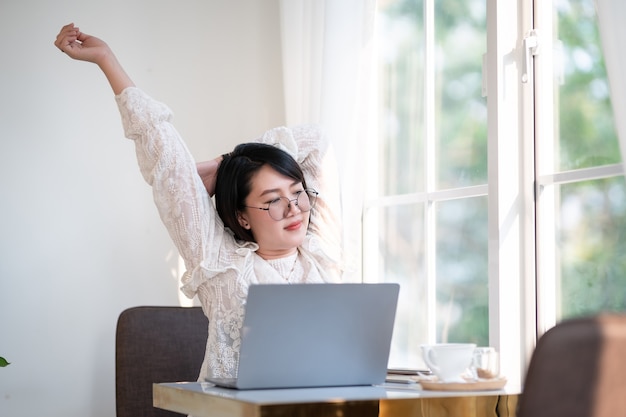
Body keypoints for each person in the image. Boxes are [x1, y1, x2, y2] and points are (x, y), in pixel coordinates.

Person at [54, 23, 343, 380]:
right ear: (243, 216)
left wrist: (228, 161)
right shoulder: (220, 263)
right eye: (273, 201)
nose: (294, 208)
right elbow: (169, 165)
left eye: (297, 193)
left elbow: (317, 140)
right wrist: (105, 58)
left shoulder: (322, 252)